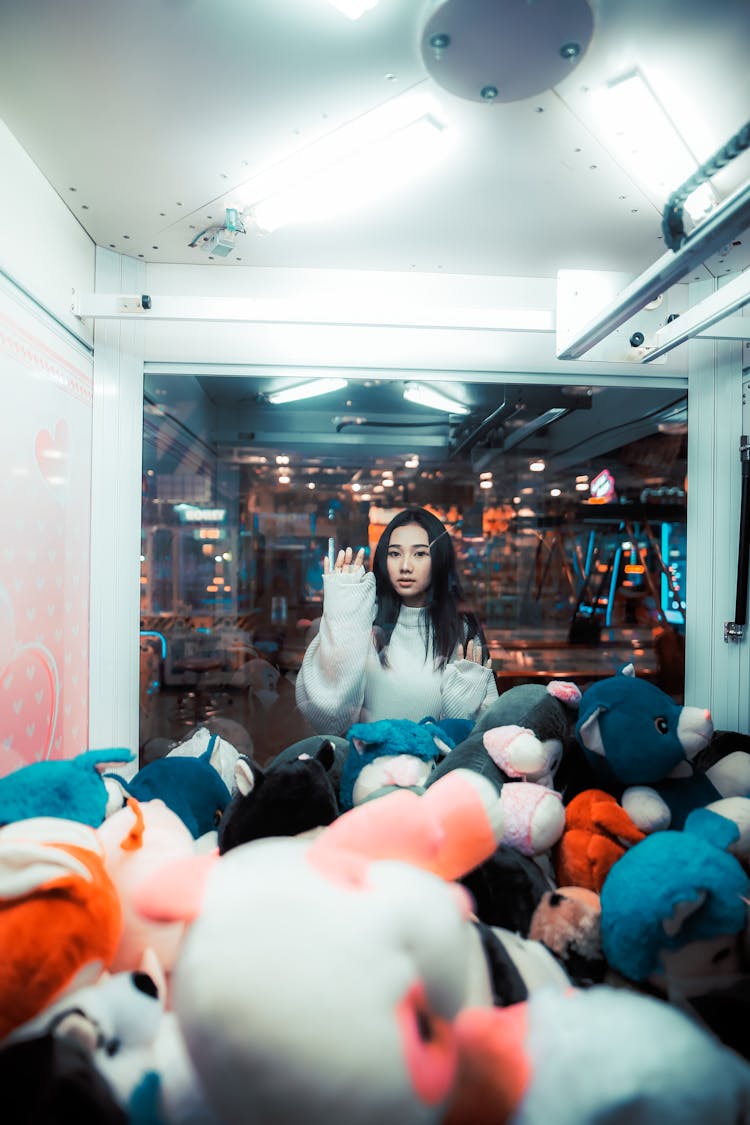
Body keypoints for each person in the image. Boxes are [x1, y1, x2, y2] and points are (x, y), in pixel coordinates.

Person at [295, 506, 498, 735]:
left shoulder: (459, 633)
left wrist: (460, 714)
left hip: (436, 770)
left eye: (420, 554)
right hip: (366, 768)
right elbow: (329, 720)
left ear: (439, 559)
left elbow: (487, 736)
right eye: (395, 553)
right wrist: (344, 608)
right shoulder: (365, 622)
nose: (405, 566)